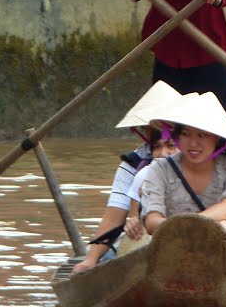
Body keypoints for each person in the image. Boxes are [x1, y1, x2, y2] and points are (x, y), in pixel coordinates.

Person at [71, 81, 182, 274]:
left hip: (190, 236)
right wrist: (90, 259)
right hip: (148, 237)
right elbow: (114, 217)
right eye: (153, 127)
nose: (164, 152)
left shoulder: (203, 160)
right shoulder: (135, 166)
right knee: (108, 260)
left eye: (171, 145)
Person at [136, 91, 226, 250]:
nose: (193, 143)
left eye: (202, 135)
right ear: (177, 136)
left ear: (217, 138)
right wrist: (185, 231)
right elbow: (151, 221)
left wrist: (191, 226)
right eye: (185, 134)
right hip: (172, 249)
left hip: (222, 250)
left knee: (225, 227)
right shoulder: (159, 168)